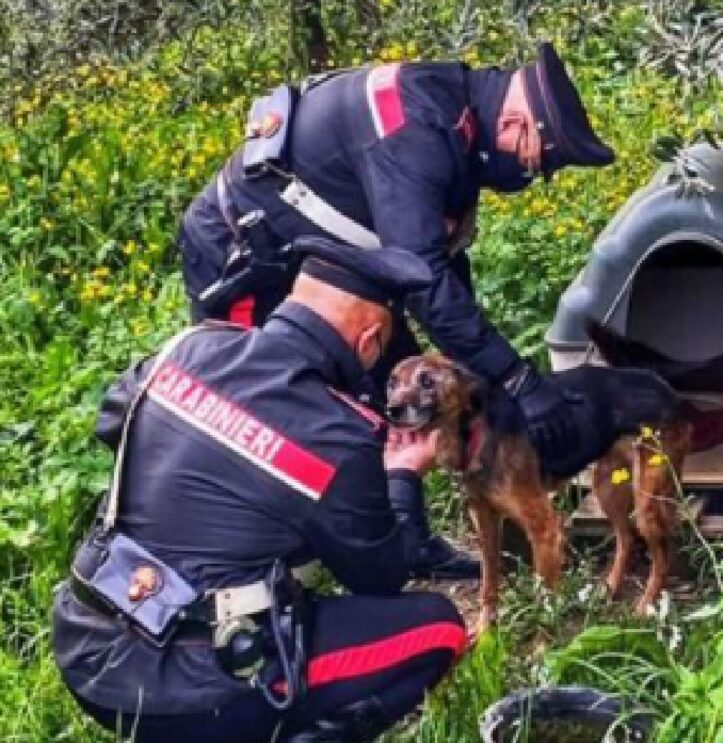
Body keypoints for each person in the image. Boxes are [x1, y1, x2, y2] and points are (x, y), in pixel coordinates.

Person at [176, 42, 616, 579]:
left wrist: (498, 378)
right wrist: (520, 380)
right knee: (265, 407)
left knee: (400, 384)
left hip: (326, 258)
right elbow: (427, 281)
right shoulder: (415, 133)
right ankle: (263, 569)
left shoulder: (458, 123)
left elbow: (442, 268)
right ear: (521, 124)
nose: (530, 179)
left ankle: (401, 544)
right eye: (536, 164)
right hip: (243, 257)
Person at [53, 237, 467, 743]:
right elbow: (382, 577)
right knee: (440, 627)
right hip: (197, 692)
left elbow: (113, 421)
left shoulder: (187, 347)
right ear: (369, 341)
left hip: (84, 644)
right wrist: (401, 475)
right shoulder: (335, 432)